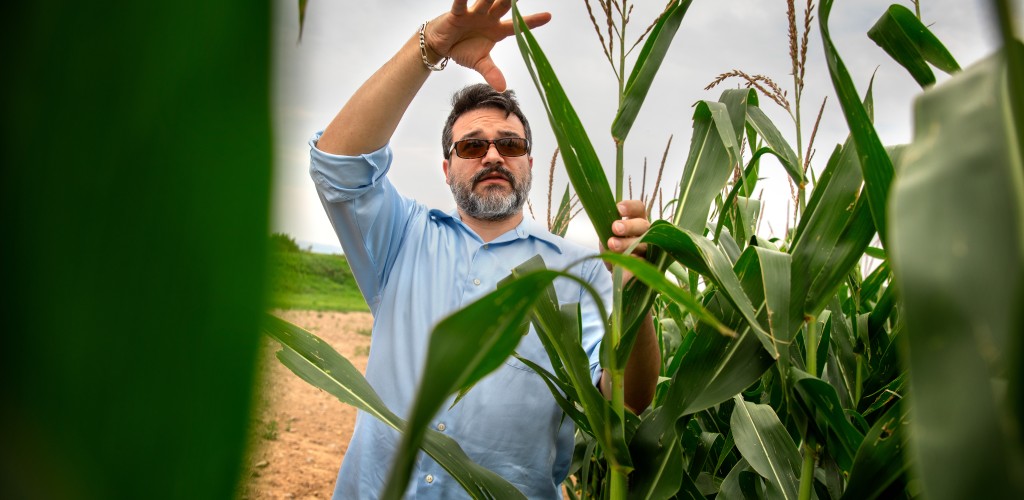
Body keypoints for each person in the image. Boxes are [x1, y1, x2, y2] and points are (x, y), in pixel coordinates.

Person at [308, 1, 659, 497]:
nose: (493, 154)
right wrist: (432, 44)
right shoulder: (401, 237)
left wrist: (639, 296)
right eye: (472, 146)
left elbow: (626, 403)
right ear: (447, 168)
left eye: (510, 146)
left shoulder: (581, 271)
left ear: (529, 164)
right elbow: (336, 164)